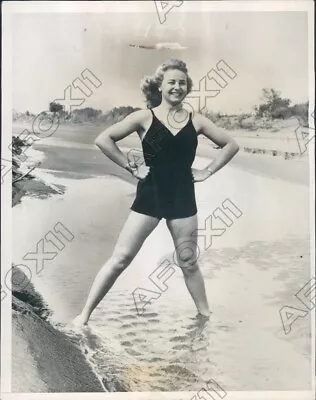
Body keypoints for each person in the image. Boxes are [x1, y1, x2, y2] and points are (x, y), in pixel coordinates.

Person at [72, 59, 239, 326]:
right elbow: (104, 139)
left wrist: (207, 172)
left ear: (188, 88)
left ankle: (206, 318)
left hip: (183, 197)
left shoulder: (197, 121)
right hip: (150, 195)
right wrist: (131, 167)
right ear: (160, 86)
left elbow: (230, 145)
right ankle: (83, 317)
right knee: (121, 258)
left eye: (182, 83)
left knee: (188, 261)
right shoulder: (143, 117)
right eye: (171, 82)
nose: (177, 87)